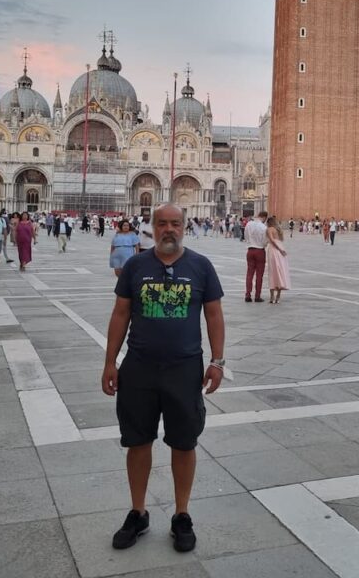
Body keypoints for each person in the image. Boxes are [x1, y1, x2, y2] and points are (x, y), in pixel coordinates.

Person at [101, 203, 225, 553]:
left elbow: (214, 315)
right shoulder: (136, 266)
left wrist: (217, 362)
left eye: (175, 224)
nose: (168, 229)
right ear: (151, 227)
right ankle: (138, 512)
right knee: (137, 441)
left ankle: (181, 514)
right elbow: (120, 312)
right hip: (138, 367)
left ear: (184, 227)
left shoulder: (200, 266)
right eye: (162, 224)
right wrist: (110, 361)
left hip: (184, 369)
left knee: (184, 443)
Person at [244, 211, 268, 302]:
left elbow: (245, 236)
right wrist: (262, 245)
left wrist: (250, 242)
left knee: (249, 274)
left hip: (250, 250)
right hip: (260, 251)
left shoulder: (249, 224)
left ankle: (248, 294)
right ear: (264, 217)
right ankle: (257, 296)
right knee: (259, 275)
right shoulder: (264, 227)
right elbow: (265, 241)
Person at [265, 216, 290, 304]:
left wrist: (278, 249)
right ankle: (278, 297)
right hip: (281, 249)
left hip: (273, 250)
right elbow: (279, 240)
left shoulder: (269, 229)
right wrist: (281, 249)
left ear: (268, 223)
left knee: (272, 273)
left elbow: (271, 240)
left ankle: (272, 297)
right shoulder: (278, 230)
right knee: (280, 271)